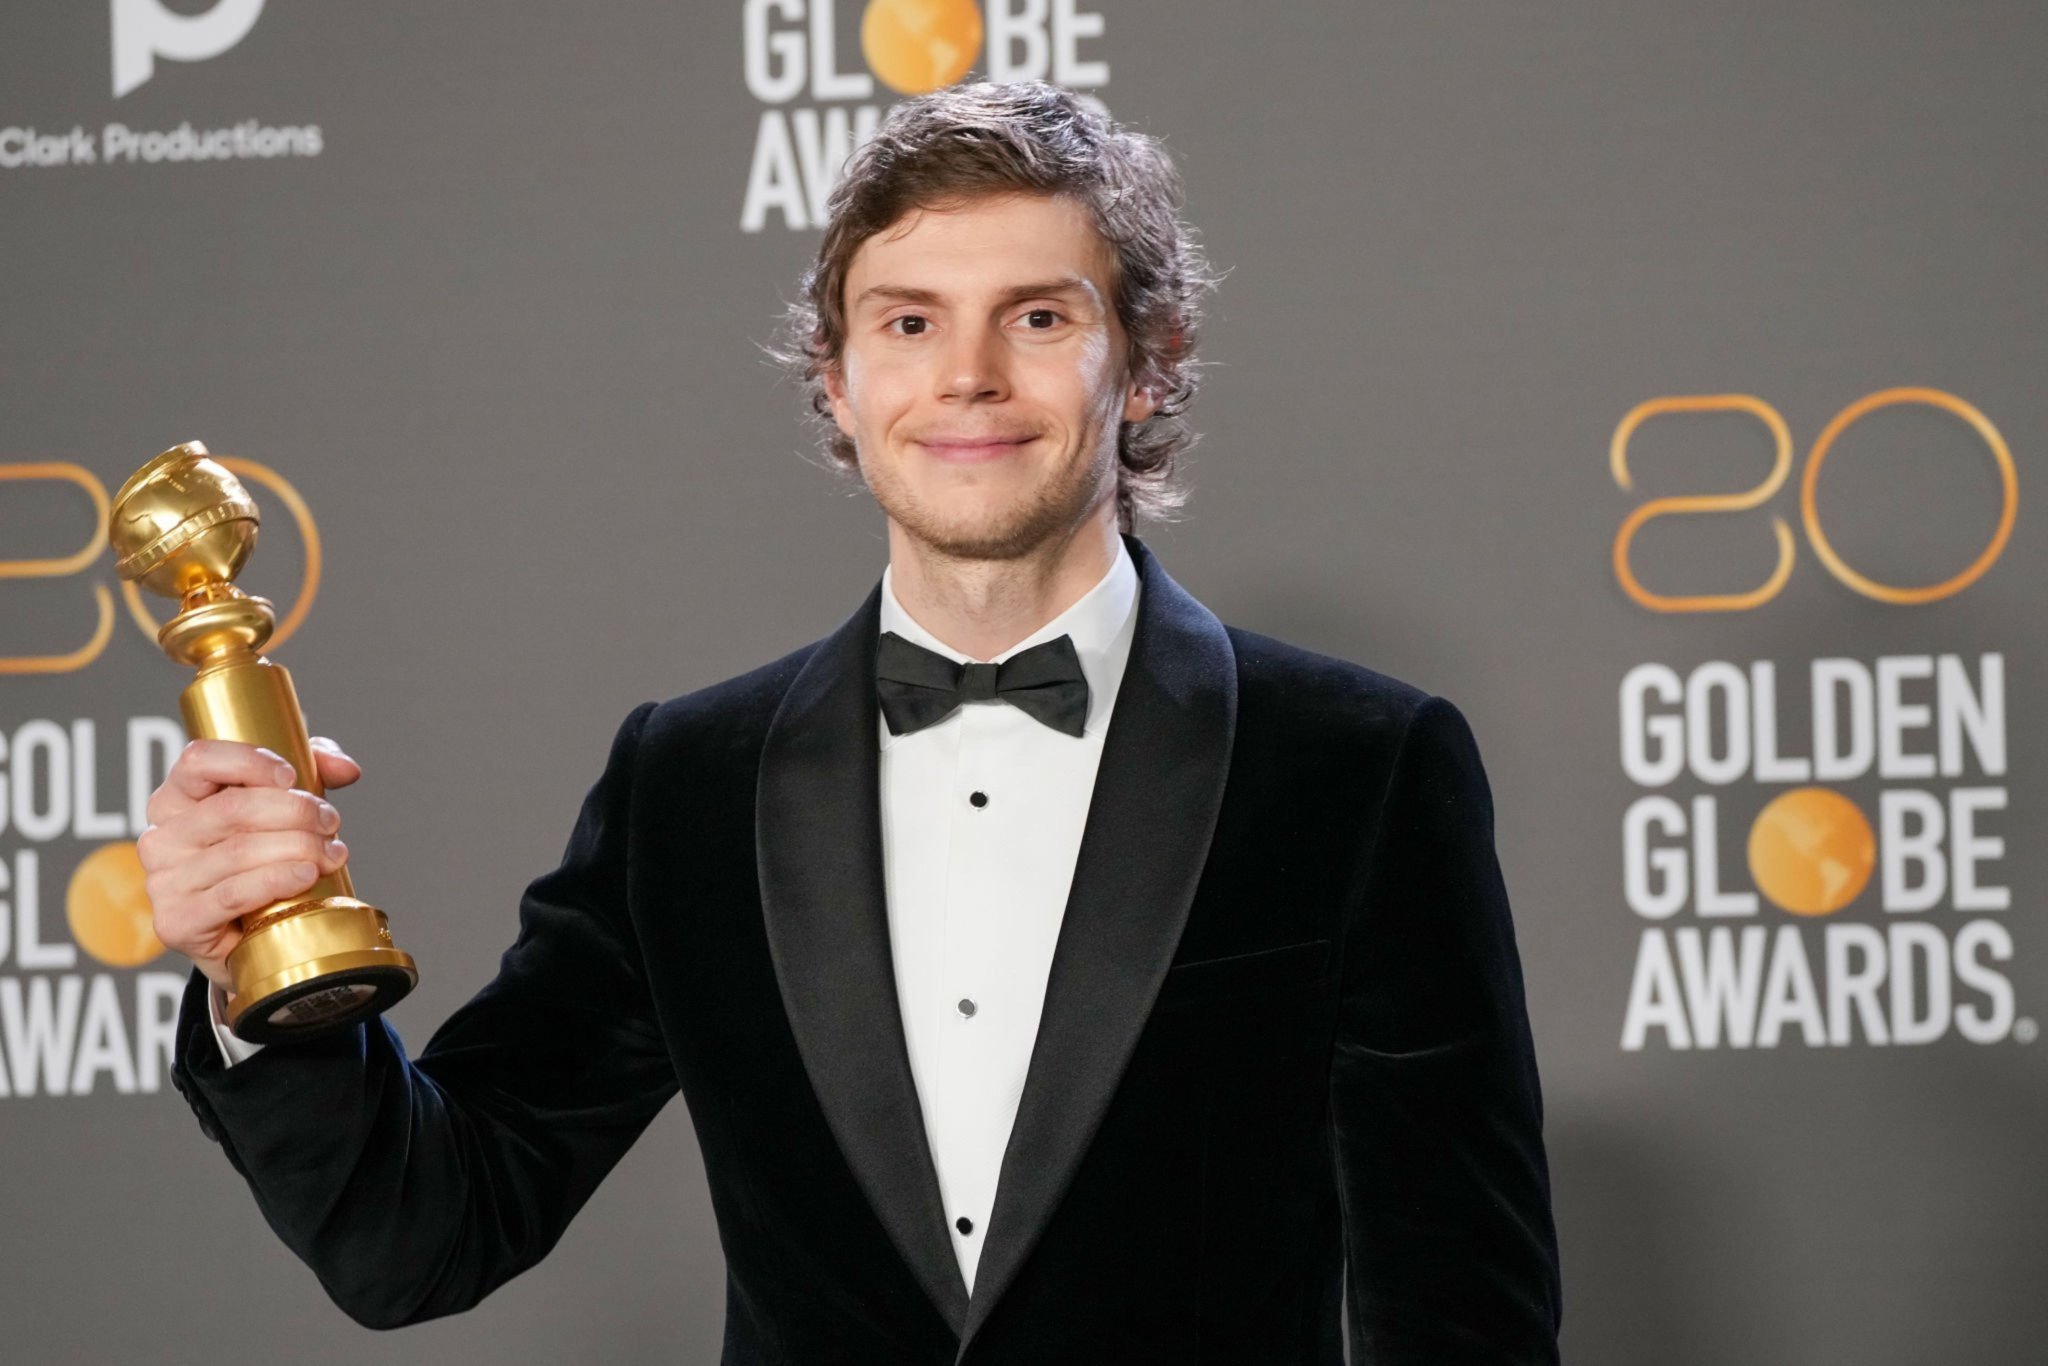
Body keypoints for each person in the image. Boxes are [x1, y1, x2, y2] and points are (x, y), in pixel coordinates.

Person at [144, 81, 1562, 1363]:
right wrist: (258, 971)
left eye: (1039, 316)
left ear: (1147, 360)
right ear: (837, 375)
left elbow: (1464, 1316)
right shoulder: (688, 785)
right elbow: (423, 1235)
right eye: (909, 321)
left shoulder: (1358, 766)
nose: (967, 374)